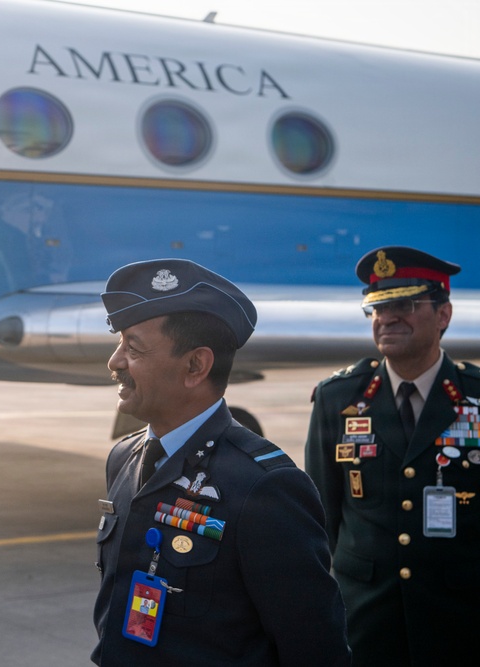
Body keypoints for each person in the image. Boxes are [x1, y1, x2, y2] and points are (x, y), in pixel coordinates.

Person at [92, 259, 350, 666]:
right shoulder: (124, 457)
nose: (115, 361)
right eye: (120, 343)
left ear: (196, 365)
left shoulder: (263, 487)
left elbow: (316, 649)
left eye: (134, 348)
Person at [305, 246, 479, 667]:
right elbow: (320, 518)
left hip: (459, 622)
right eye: (377, 308)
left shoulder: (475, 396)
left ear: (443, 315)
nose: (386, 318)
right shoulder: (339, 398)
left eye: (403, 305)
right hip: (366, 620)